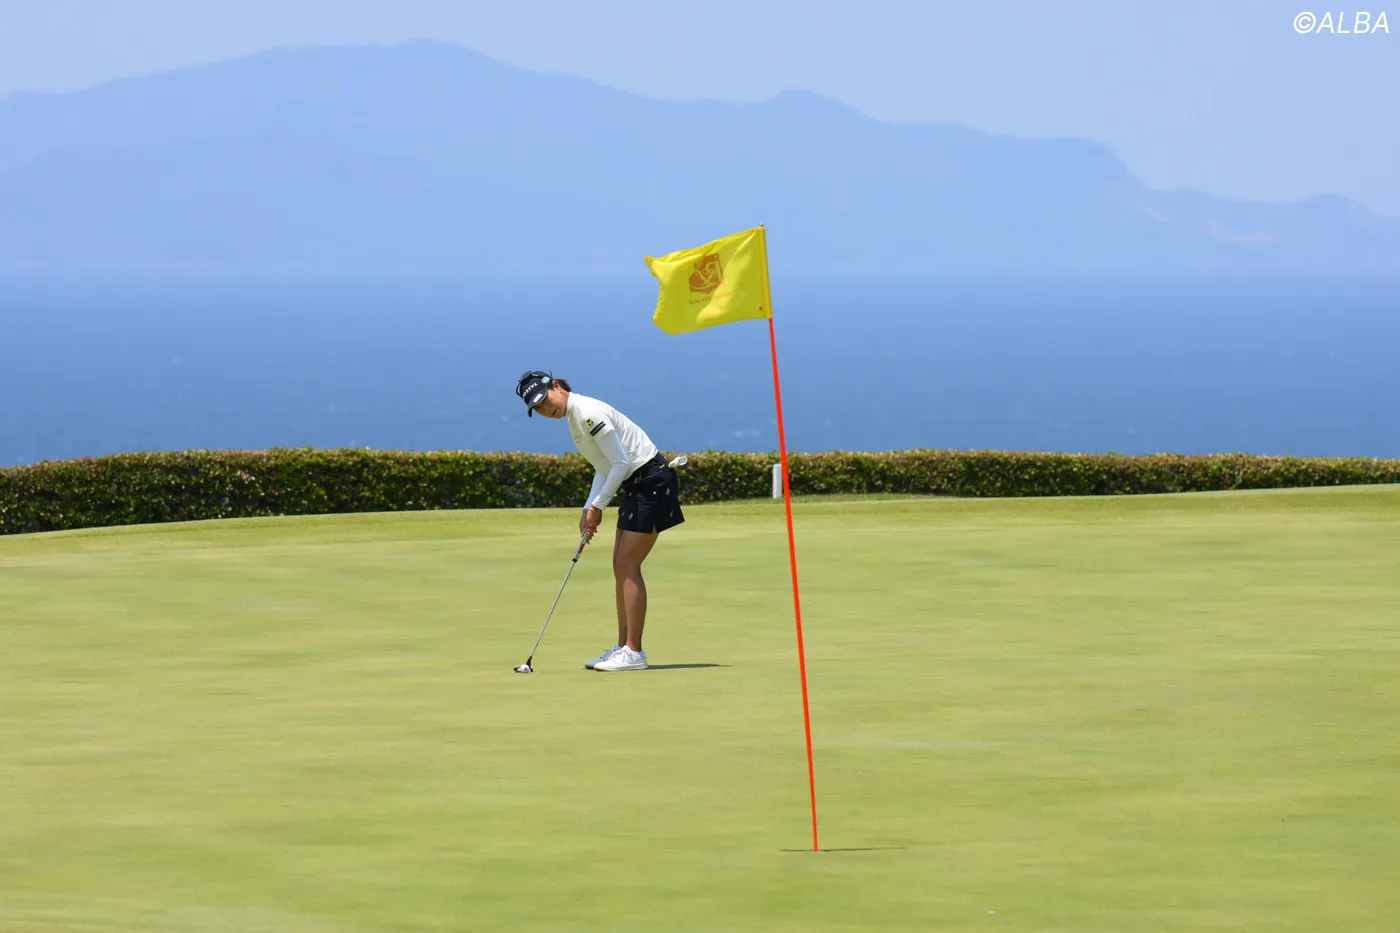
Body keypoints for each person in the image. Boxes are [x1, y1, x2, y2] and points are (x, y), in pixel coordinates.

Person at [515, 370, 684, 672]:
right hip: (636, 484)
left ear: (557, 387)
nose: (545, 409)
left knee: (628, 565)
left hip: (652, 482)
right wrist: (588, 507)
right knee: (620, 565)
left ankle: (634, 652)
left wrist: (598, 506)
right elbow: (603, 468)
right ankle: (623, 648)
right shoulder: (574, 419)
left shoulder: (588, 413)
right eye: (537, 408)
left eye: (545, 400)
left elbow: (620, 463)